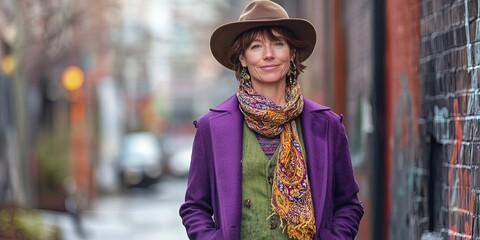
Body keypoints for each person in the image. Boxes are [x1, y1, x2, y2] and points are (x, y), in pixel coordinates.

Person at [179, 1, 364, 239]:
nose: (268, 55)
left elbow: (348, 203)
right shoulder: (211, 128)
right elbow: (195, 207)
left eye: (278, 43)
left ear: (292, 52)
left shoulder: (327, 125)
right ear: (243, 58)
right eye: (256, 46)